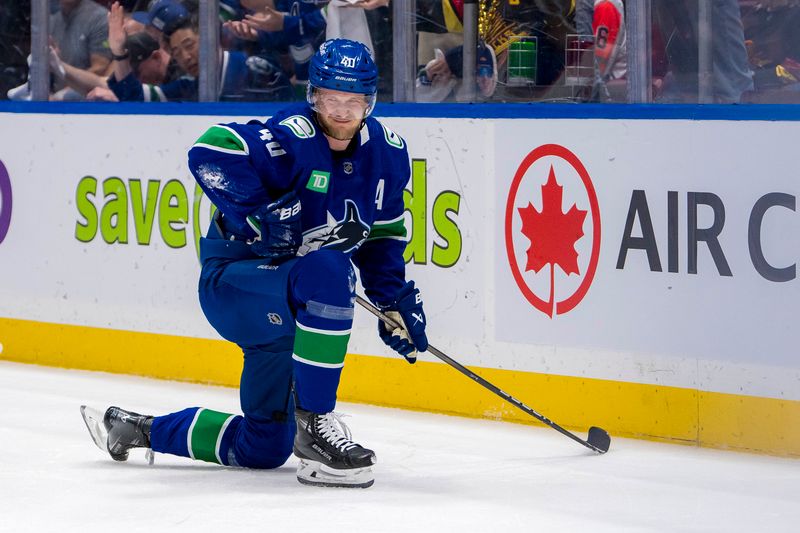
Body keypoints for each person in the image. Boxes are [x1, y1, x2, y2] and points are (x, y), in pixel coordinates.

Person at [80, 38, 429, 489]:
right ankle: (316, 426)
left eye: (353, 101)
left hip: (291, 305)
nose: (342, 112)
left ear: (370, 102)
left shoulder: (388, 153)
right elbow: (211, 148)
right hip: (237, 282)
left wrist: (391, 302)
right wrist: (261, 214)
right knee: (329, 271)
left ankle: (137, 428)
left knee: (263, 447)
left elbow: (381, 236)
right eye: (331, 99)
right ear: (313, 97)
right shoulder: (291, 137)